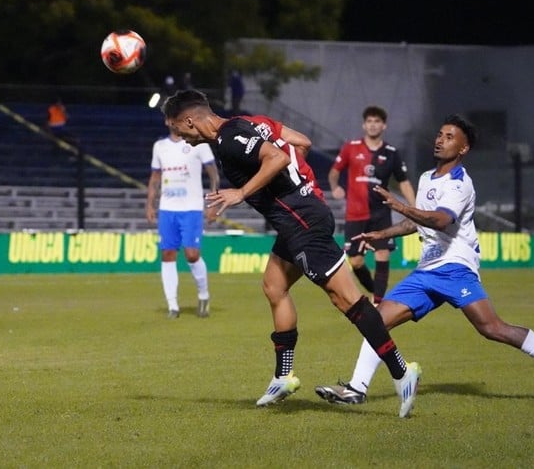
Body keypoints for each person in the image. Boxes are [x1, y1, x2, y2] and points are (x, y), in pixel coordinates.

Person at [161, 89, 421, 416]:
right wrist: (298, 185)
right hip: (296, 219)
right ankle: (283, 377)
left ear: (190, 120)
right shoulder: (246, 124)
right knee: (274, 286)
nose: (181, 138)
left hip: (303, 222)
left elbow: (279, 157)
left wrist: (242, 192)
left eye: (179, 129)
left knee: (348, 301)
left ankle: (402, 372)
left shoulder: (229, 138)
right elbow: (301, 143)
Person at [315, 114, 534, 407]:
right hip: (426, 270)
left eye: (449, 137)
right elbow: (417, 223)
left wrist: (400, 206)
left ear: (463, 149)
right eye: (440, 134)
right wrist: (382, 232)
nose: (440, 140)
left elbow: (441, 220)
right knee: (375, 322)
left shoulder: (460, 183)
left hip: (456, 267)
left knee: (492, 328)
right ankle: (357, 388)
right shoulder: (426, 178)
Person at [329, 105, 416, 303]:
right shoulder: (351, 147)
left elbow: (403, 181)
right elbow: (334, 171)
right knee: (356, 261)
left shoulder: (391, 153)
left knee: (382, 254)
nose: (373, 125)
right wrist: (335, 187)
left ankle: (378, 302)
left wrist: (413, 208)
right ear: (364, 125)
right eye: (369, 121)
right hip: (355, 214)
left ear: (383, 126)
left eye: (377, 121)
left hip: (380, 214)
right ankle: (376, 293)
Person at [146, 123, 220, 319]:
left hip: (192, 208)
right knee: (168, 254)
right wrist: (150, 204)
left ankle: (203, 295)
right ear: (167, 122)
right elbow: (155, 177)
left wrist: (213, 202)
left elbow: (213, 173)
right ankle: (173, 306)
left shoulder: (199, 144)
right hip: (167, 209)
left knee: (192, 254)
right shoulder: (160, 146)